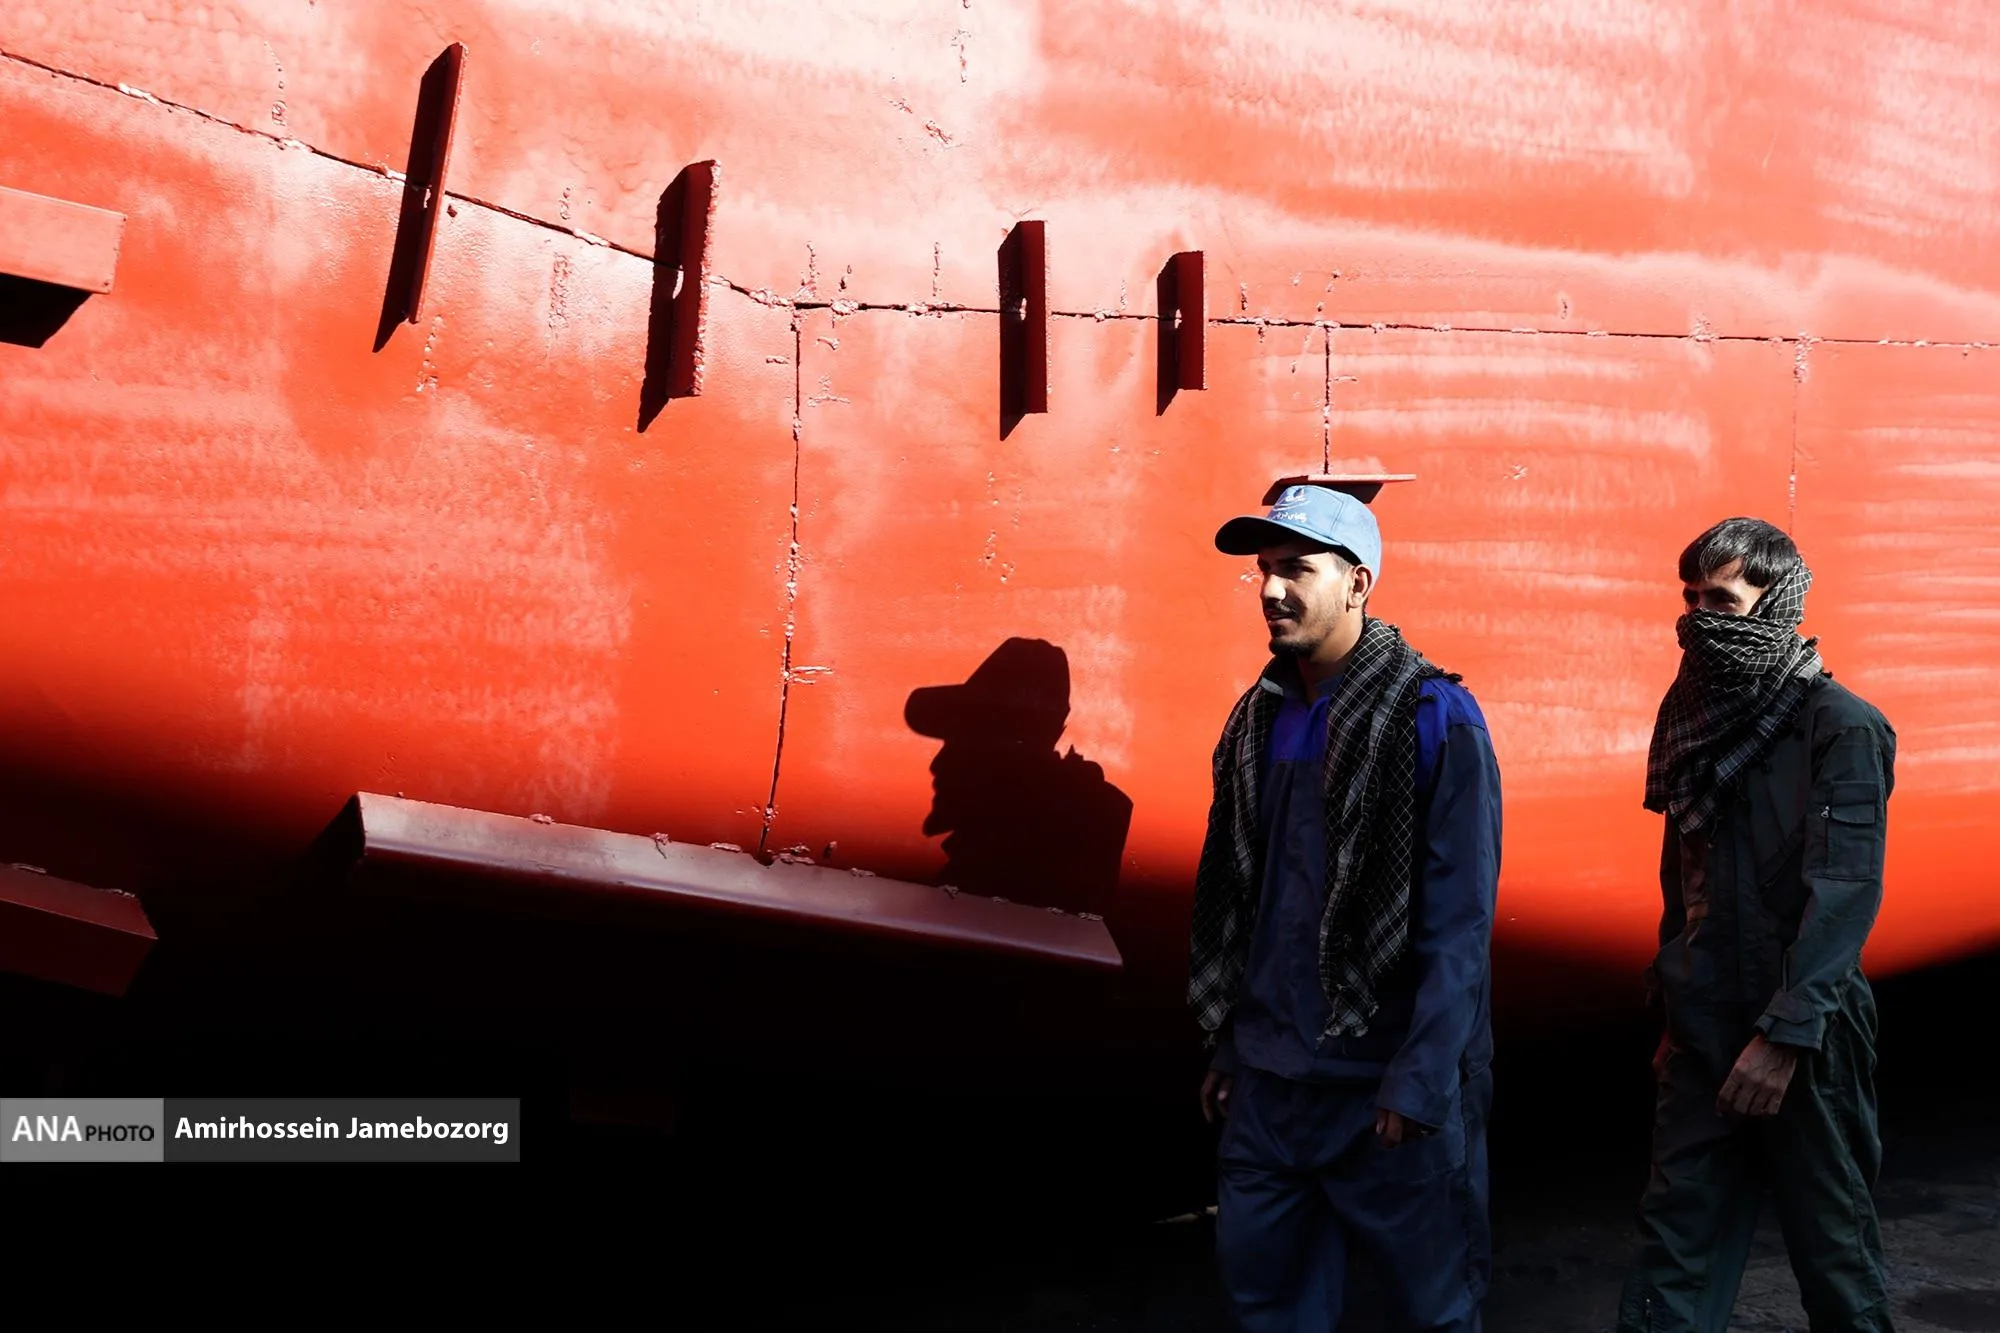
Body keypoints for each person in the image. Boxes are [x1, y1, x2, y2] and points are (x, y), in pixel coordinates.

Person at [1188, 483, 1503, 1333]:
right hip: (1271, 1086)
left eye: (1296, 568)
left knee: (1430, 1311)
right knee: (1267, 1305)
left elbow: (1460, 922)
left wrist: (1422, 1076)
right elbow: (1250, 899)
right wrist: (1233, 1041)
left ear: (1358, 582)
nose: (1270, 589)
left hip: (1383, 1084)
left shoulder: (1435, 716)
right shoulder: (1258, 719)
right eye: (1263, 570)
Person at [1618, 518, 1897, 1333]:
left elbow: (1844, 890)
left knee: (1834, 1253)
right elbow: (1684, 876)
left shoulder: (1842, 726)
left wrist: (1785, 1035)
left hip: (1805, 1031)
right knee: (1674, 1245)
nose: (1701, 620)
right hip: (1704, 1020)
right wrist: (1674, 1000)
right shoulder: (1694, 715)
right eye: (1692, 600)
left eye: (1723, 601)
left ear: (1776, 603)